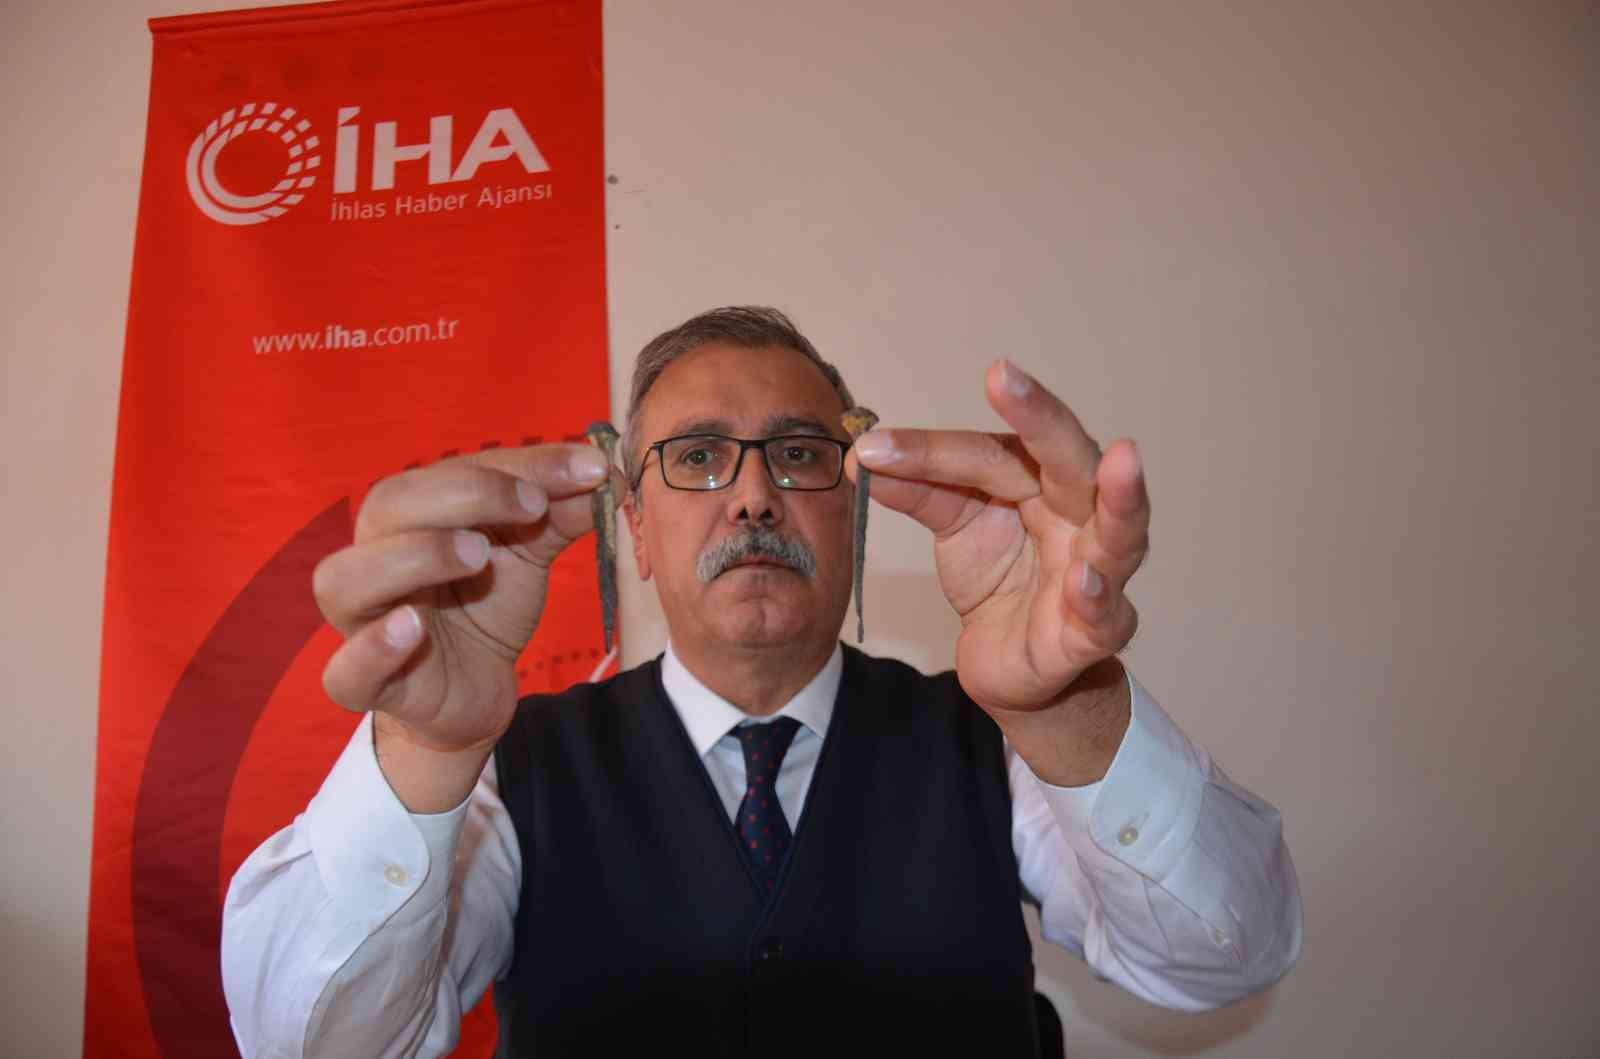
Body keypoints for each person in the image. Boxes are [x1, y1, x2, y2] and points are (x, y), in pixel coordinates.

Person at [222, 307, 1301, 1057]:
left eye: (798, 454)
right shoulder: (513, 770)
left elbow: (1225, 955)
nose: (751, 497)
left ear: (856, 505)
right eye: (696, 457)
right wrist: (425, 753)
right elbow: (313, 1044)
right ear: (633, 526)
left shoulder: (990, 738)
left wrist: (1073, 706)